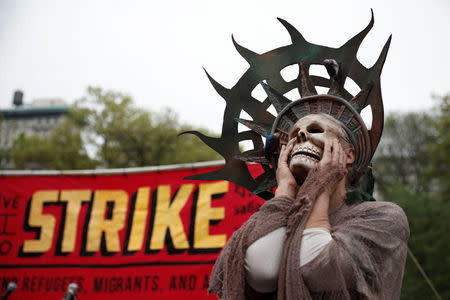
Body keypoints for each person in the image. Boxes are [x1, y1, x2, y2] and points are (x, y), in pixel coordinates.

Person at [181, 12, 410, 299]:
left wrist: (321, 190)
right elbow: (263, 273)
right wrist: (286, 190)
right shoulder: (266, 221)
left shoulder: (381, 218)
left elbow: (321, 271)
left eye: (314, 129)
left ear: (348, 155)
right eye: (291, 137)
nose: (299, 137)